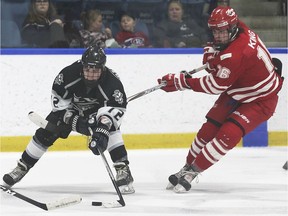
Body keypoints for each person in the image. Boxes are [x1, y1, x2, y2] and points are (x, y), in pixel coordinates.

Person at [157, 6, 284, 193]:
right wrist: (211, 53)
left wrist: (181, 82)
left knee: (228, 134)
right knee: (207, 131)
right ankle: (187, 167)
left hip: (261, 99)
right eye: (214, 31)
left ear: (231, 28)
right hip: (237, 89)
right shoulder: (237, 28)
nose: (218, 35)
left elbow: (215, 85)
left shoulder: (237, 54)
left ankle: (193, 171)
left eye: (221, 31)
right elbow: (215, 66)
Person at [2, 45, 135, 194]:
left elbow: (116, 111)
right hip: (70, 110)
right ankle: (22, 167)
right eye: (88, 70)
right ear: (82, 66)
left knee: (109, 130)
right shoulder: (67, 75)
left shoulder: (113, 84)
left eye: (95, 71)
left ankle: (123, 169)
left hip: (96, 113)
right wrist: (75, 122)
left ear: (103, 69)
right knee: (45, 133)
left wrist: (102, 129)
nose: (90, 74)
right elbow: (59, 108)